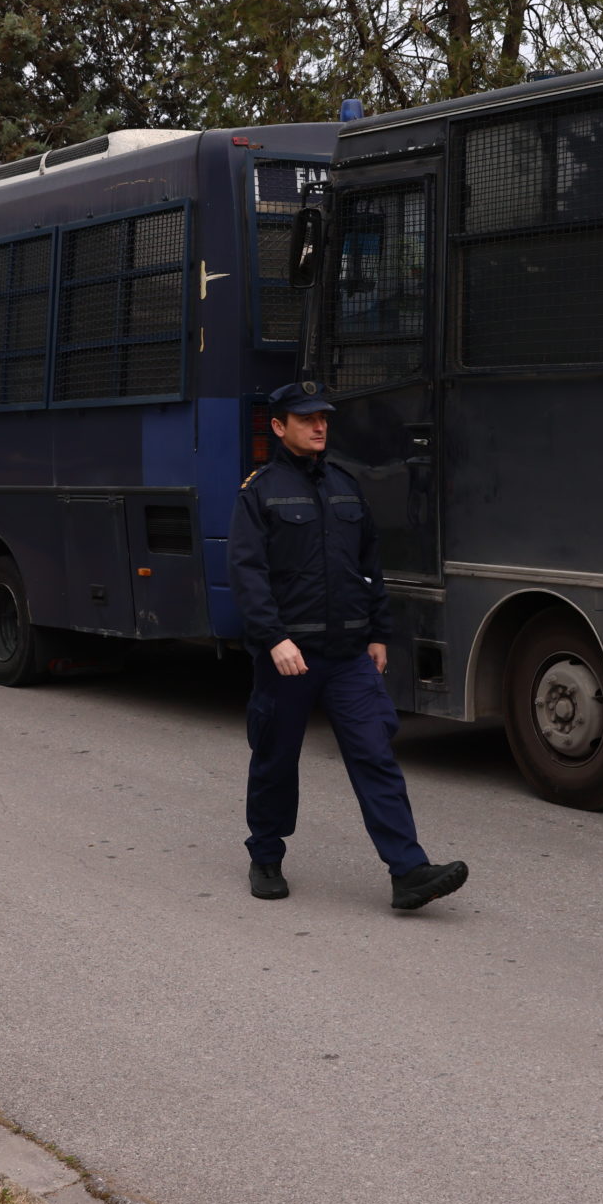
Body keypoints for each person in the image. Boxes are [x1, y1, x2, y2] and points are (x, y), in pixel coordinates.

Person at [227, 380, 469, 911]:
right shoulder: (260, 491)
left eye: (324, 418)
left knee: (376, 754)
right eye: (307, 418)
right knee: (275, 758)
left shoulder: (344, 484)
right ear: (279, 426)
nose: (319, 426)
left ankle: (408, 871)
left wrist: (379, 631)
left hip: (347, 657)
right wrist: (274, 640)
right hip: (290, 657)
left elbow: (369, 567)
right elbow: (248, 575)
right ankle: (265, 854)